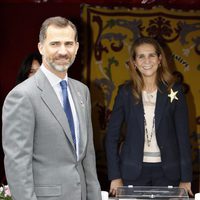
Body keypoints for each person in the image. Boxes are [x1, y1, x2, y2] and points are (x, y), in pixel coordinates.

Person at [2, 16, 101, 200]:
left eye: (68, 44)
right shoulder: (22, 96)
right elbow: (17, 164)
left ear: (77, 47)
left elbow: (88, 157)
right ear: (41, 47)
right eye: (55, 44)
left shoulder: (82, 91)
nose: (63, 51)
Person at [105, 37, 193, 197]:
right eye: (141, 56)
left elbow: (183, 137)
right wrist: (115, 176)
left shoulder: (175, 91)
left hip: (168, 173)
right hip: (132, 171)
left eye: (152, 55)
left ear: (160, 59)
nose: (147, 60)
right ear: (134, 62)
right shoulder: (125, 92)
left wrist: (186, 178)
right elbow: (112, 136)